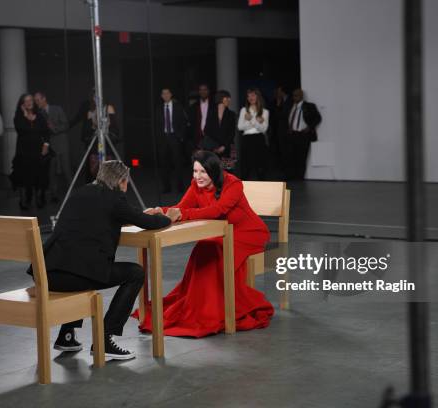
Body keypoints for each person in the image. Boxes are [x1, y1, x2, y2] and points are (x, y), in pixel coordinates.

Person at [27, 160, 172, 359]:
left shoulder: (80, 193)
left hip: (46, 271)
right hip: (70, 276)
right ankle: (104, 339)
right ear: (121, 181)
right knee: (134, 273)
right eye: (126, 182)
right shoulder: (115, 200)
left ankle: (67, 335)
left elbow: (101, 216)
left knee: (83, 266)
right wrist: (168, 217)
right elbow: (149, 222)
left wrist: (132, 215)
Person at [134, 150, 274, 337]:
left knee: (215, 252)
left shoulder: (233, 184)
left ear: (214, 171)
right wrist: (161, 210)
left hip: (248, 233)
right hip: (223, 233)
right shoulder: (196, 185)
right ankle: (201, 307)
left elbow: (217, 210)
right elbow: (183, 207)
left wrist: (183, 214)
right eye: (195, 171)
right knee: (203, 249)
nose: (197, 176)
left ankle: (213, 311)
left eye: (202, 172)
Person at [10, 93, 51, 209]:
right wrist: (24, 114)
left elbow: (46, 132)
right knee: (25, 178)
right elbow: (23, 130)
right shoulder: (18, 117)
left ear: (33, 102)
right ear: (22, 104)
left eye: (30, 100)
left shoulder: (40, 116)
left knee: (39, 176)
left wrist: (46, 145)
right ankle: (25, 201)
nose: (28, 103)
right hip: (24, 152)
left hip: (38, 151)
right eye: (25, 101)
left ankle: (39, 199)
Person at [34, 92, 71, 202]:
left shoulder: (57, 109)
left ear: (44, 98)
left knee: (66, 170)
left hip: (62, 143)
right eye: (35, 101)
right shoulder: (38, 114)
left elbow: (66, 124)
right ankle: (54, 195)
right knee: (51, 171)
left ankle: (72, 193)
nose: (37, 103)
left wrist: (53, 127)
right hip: (49, 145)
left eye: (38, 100)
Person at [282, 88, 322, 180]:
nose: (294, 97)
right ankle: (291, 177)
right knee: (290, 157)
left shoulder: (309, 106)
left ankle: (299, 178)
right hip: (292, 135)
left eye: (297, 95)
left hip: (303, 135)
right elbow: (285, 119)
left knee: (301, 158)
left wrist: (309, 127)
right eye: (293, 95)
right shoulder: (290, 106)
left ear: (301, 96)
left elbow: (318, 118)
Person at [156, 88, 188, 193]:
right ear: (161, 96)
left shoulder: (178, 107)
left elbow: (184, 122)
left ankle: (180, 187)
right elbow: (156, 124)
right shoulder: (159, 108)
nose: (165, 95)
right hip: (163, 138)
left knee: (178, 163)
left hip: (175, 137)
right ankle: (166, 188)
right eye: (163, 93)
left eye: (167, 93)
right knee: (164, 164)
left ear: (171, 95)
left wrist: (181, 136)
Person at [238, 88, 269, 180]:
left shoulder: (265, 111)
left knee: (260, 167)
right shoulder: (244, 110)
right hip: (247, 139)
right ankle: (244, 191)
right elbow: (240, 127)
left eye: (253, 95)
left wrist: (251, 120)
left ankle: (262, 190)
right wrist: (257, 122)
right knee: (245, 167)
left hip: (259, 139)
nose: (250, 97)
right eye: (248, 96)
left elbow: (264, 129)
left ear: (258, 96)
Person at [202, 90, 236, 159]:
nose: (229, 100)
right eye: (227, 98)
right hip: (213, 148)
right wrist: (216, 146)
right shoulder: (211, 113)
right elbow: (207, 130)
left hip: (228, 147)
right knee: (214, 168)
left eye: (229, 98)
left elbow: (232, 133)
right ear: (220, 99)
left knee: (227, 169)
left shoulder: (232, 115)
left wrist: (224, 146)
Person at [187, 83, 214, 154]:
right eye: (201, 90)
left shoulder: (214, 106)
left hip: (211, 138)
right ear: (199, 92)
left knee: (210, 161)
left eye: (205, 89)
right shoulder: (193, 107)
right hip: (197, 138)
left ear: (208, 91)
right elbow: (191, 124)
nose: (203, 92)